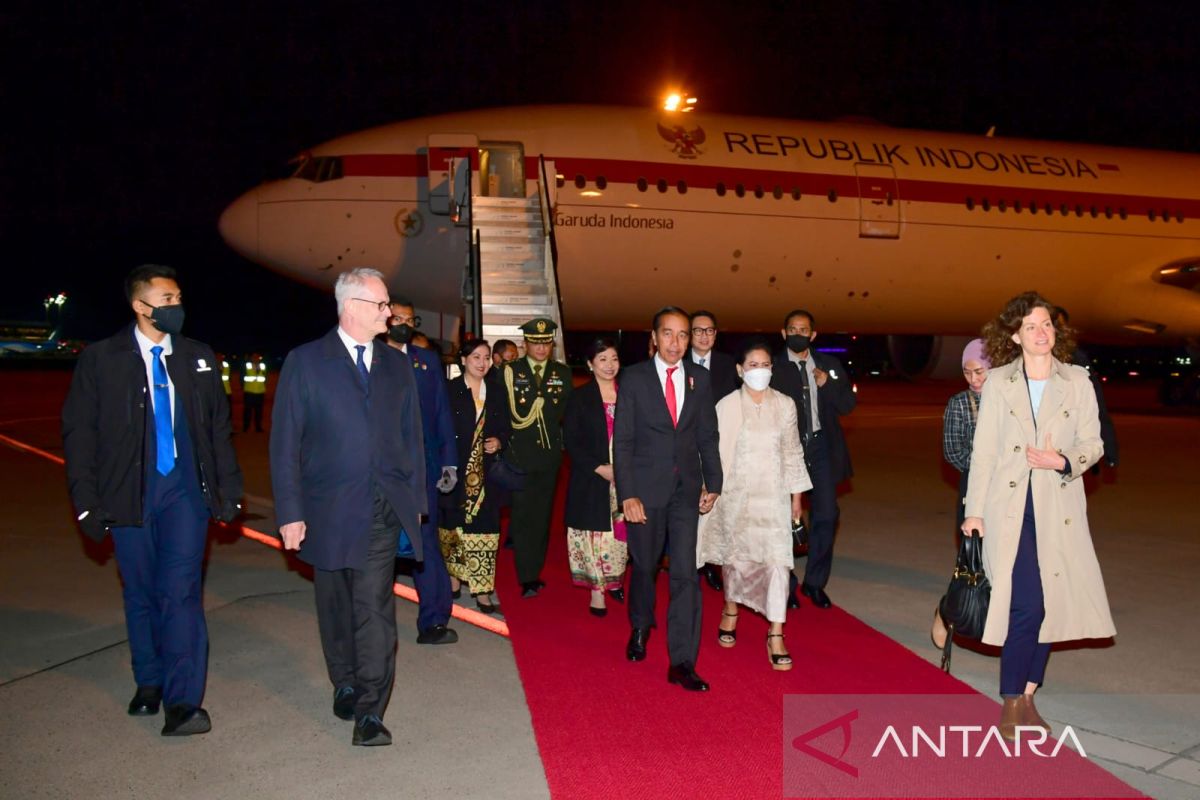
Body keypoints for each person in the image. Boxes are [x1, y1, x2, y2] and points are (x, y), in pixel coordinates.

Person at [62, 264, 242, 737]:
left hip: (184, 493)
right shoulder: (102, 359)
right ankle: (150, 681)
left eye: (178, 296)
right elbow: (80, 435)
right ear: (140, 306)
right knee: (140, 593)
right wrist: (85, 500)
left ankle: (183, 703)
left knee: (180, 593)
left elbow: (218, 431)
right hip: (129, 494)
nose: (175, 306)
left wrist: (229, 490)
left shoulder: (198, 357)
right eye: (166, 299)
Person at [270, 267, 426, 747]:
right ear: (353, 307)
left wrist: (415, 500)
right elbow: (285, 442)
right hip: (328, 509)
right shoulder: (306, 361)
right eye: (382, 306)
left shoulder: (398, 365)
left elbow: (411, 437)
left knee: (375, 607)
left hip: (381, 507)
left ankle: (370, 711)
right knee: (335, 600)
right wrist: (291, 512)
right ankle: (345, 678)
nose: (389, 313)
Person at [963, 291, 1115, 741]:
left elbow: (1095, 442)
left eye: (1047, 324)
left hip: (1058, 507)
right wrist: (974, 512)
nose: (1042, 332)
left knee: (1051, 603)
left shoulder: (1078, 381)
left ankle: (1029, 695)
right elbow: (984, 452)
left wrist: (1063, 460)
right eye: (1031, 326)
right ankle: (1011, 700)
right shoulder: (998, 383)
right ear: (1015, 335)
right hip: (1008, 509)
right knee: (1027, 604)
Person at [614, 307, 722, 692]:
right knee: (644, 566)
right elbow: (622, 441)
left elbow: (707, 434)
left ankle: (682, 661)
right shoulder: (635, 378)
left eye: (683, 335)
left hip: (686, 491)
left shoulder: (701, 378)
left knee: (685, 575)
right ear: (655, 337)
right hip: (645, 490)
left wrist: (714, 481)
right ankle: (641, 625)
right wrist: (627, 494)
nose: (676, 343)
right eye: (669, 334)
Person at [698, 338, 811, 670]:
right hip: (737, 497)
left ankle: (776, 632)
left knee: (778, 563)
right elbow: (714, 456)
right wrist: (709, 490)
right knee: (737, 561)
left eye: (765, 366)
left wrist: (796, 498)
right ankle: (730, 609)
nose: (760, 371)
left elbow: (792, 452)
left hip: (774, 498)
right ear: (739, 370)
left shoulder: (785, 405)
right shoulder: (726, 406)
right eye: (753, 366)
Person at [770, 309, 856, 609]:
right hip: (786, 451)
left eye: (803, 329)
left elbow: (848, 404)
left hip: (821, 448)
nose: (798, 334)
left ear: (813, 335)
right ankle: (787, 584)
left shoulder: (828, 365)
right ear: (783, 333)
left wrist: (826, 385)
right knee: (783, 519)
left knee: (826, 515)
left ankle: (815, 583)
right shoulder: (773, 368)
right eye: (792, 328)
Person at [385, 299, 459, 645]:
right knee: (380, 545)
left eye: (408, 319)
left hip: (423, 469)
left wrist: (449, 462)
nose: (402, 323)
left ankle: (434, 620)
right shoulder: (367, 358)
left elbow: (442, 414)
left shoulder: (426, 361)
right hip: (381, 471)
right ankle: (373, 623)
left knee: (425, 545)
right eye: (396, 317)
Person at [438, 338, 511, 614]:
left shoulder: (496, 390)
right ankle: (454, 581)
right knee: (452, 528)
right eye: (476, 357)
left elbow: (507, 426)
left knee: (486, 531)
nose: (482, 363)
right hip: (455, 470)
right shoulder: (450, 390)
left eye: (487, 358)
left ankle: (482, 591)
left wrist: (499, 441)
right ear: (464, 360)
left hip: (486, 475)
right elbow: (440, 428)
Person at [502, 317, 573, 597]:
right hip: (519, 455)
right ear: (525, 344)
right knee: (522, 515)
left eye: (546, 343)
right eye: (535, 342)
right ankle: (525, 572)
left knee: (542, 517)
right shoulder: (510, 371)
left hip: (548, 457)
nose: (541, 348)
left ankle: (532, 572)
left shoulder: (562, 373)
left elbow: (567, 413)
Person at [563, 336, 629, 617]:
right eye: (602, 359)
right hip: (592, 477)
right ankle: (597, 591)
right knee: (593, 535)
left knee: (619, 537)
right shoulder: (579, 397)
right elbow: (572, 440)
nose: (609, 365)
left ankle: (614, 580)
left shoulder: (630, 395)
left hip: (626, 478)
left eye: (614, 359)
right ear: (590, 364)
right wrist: (600, 468)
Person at [933, 338, 991, 649]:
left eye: (980, 371)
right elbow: (953, 452)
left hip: (1009, 493)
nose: (974, 379)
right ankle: (946, 611)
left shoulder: (1009, 402)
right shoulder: (960, 403)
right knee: (971, 560)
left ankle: (991, 623)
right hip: (975, 491)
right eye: (968, 373)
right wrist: (985, 466)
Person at [687, 309, 739, 592]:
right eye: (698, 330)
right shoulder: (678, 363)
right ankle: (689, 561)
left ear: (716, 335)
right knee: (689, 504)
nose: (704, 336)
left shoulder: (729, 366)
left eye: (709, 331)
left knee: (716, 505)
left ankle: (710, 563)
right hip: (685, 446)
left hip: (720, 445)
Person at [1055, 307, 1119, 469]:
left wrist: (1107, 447)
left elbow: (1096, 406)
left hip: (1069, 438)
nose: (1057, 330)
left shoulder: (1077, 358)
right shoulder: (1028, 358)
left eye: (1061, 325)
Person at [242, 352, 267, 432]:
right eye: (254, 357)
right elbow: (242, 378)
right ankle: (246, 427)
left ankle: (258, 427)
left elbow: (265, 377)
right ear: (251, 358)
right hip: (249, 392)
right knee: (247, 411)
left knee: (259, 411)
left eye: (257, 357)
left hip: (260, 392)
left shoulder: (263, 366)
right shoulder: (247, 366)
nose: (256, 358)